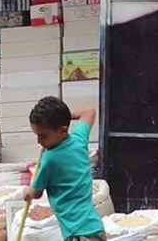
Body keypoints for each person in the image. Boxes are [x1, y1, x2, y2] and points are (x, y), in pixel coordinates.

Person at [24, 97, 104, 241]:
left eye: (43, 136)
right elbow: (89, 111)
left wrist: (26, 192)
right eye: (37, 135)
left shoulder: (50, 159)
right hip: (94, 227)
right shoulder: (79, 139)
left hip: (77, 233)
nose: (39, 141)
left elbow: (35, 193)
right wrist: (62, 117)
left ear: (63, 130)